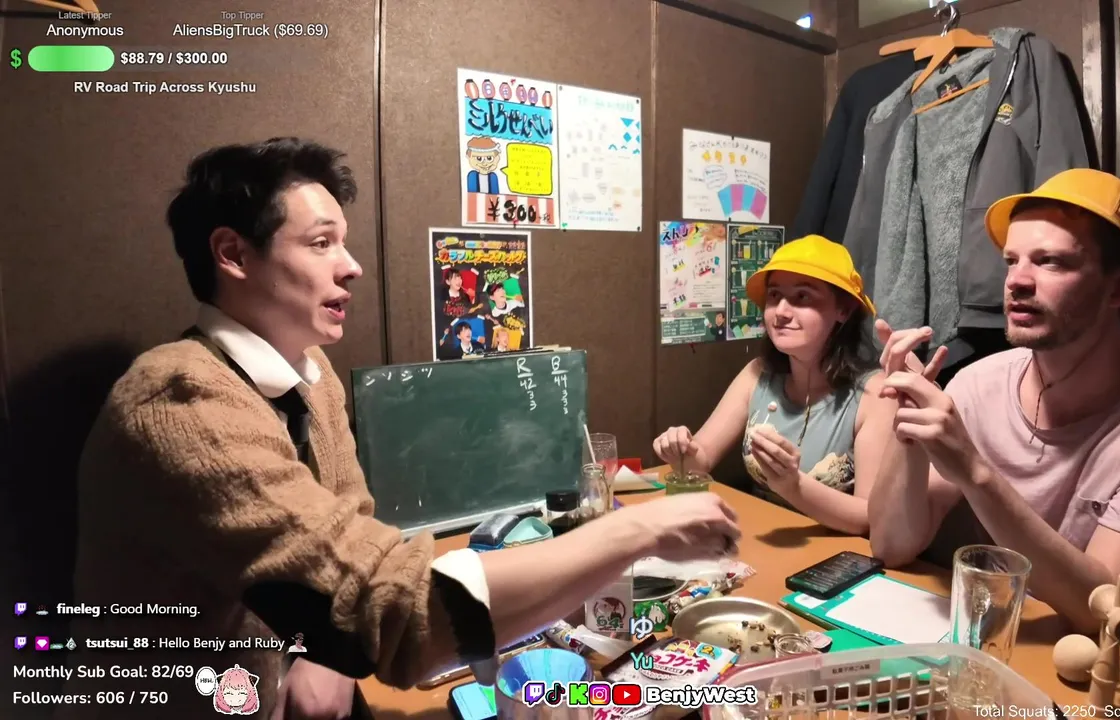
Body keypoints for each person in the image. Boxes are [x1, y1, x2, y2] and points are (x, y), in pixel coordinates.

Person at [62, 138, 741, 719]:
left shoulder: (310, 373)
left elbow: (344, 533)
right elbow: (392, 607)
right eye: (321, 243)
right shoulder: (179, 400)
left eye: (343, 242)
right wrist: (634, 532)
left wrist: (322, 649)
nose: (351, 265)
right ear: (233, 253)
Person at [868, 169, 1120, 631]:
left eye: (1051, 262)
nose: (1016, 281)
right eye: (1011, 261)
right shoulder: (978, 383)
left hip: (1087, 657)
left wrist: (976, 474)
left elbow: (1103, 611)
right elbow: (892, 547)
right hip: (989, 632)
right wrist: (909, 430)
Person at [652, 235, 945, 535]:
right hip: (758, 540)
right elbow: (699, 460)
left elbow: (868, 517)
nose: (781, 311)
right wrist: (679, 449)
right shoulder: (757, 373)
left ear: (843, 311)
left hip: (834, 552)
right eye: (774, 295)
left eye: (802, 297)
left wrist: (794, 486)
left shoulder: (875, 394)